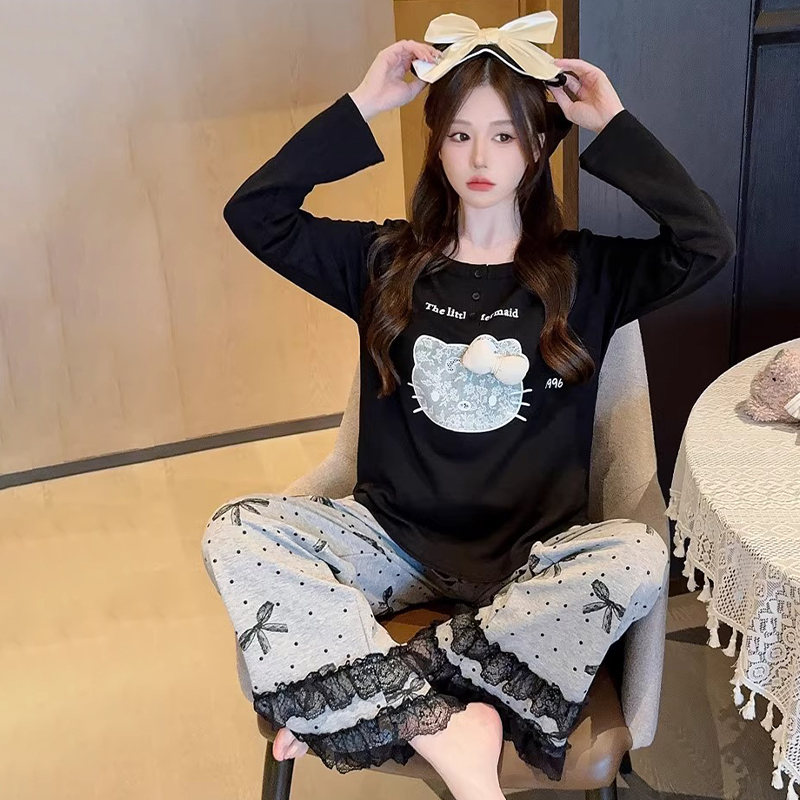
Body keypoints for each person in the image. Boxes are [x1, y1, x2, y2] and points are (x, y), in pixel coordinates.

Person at [201, 33, 735, 800]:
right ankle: (443, 721)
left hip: (530, 563)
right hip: (390, 541)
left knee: (638, 557)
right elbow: (255, 213)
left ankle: (375, 689)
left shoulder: (585, 273)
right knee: (235, 530)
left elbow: (705, 244)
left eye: (505, 135)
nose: (480, 157)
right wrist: (366, 102)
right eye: (459, 134)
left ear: (536, 147)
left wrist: (611, 122)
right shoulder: (383, 261)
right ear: (438, 147)